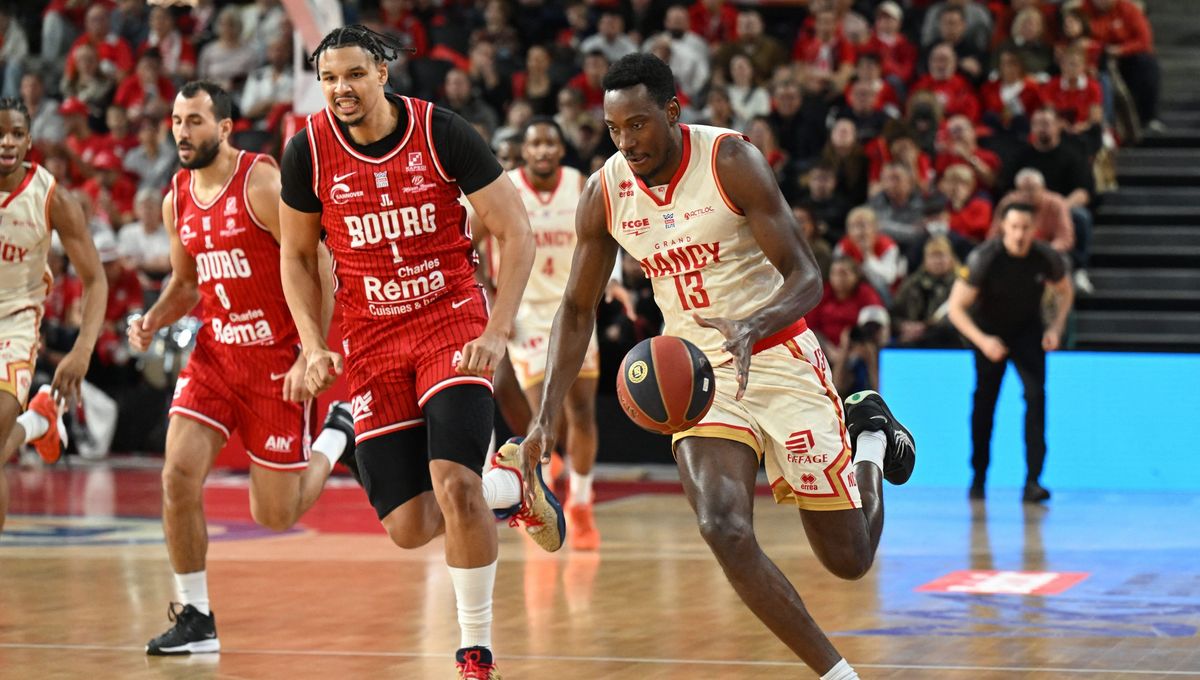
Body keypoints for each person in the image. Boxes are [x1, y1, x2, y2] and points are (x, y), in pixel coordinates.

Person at [518, 53, 916, 680]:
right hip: (697, 373)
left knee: (850, 560)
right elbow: (576, 307)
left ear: (673, 111)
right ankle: (838, 675)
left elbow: (807, 277)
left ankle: (867, 434)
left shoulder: (730, 160)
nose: (627, 142)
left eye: (638, 125)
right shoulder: (605, 191)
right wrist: (544, 418)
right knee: (722, 526)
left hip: (779, 353)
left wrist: (754, 324)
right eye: (614, 129)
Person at [276, 26, 564, 680]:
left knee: (454, 483)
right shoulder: (307, 150)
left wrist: (496, 331)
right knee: (408, 526)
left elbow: (515, 231)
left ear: (382, 73)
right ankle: (511, 486)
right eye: (329, 79)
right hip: (371, 336)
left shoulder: (441, 131)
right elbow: (294, 256)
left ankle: (475, 651)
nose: (342, 89)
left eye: (354, 74)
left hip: (448, 318)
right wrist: (312, 344)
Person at [126, 81, 358, 656]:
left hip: (276, 363)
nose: (182, 132)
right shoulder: (176, 196)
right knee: (177, 476)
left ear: (225, 128)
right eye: (177, 121)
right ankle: (196, 616)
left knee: (274, 514)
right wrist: (153, 319)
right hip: (215, 357)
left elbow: (318, 260)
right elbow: (186, 284)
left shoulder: (261, 183)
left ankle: (337, 435)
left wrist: (311, 351)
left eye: (195, 121)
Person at [483, 117, 628, 550]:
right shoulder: (505, 188)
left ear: (561, 150)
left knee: (582, 410)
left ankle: (581, 502)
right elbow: (468, 241)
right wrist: (491, 297)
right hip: (525, 312)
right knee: (543, 412)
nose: (543, 150)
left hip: (573, 310)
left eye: (550, 143)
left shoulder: (579, 184)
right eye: (535, 144)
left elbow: (605, 235)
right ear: (524, 151)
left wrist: (613, 280)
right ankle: (544, 495)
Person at [0, 98, 108, 534]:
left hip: (15, 326)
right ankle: (38, 421)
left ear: (29, 142)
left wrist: (82, 351)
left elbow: (96, 279)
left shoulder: (51, 198)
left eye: (16, 134)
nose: (6, 142)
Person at [947, 202, 1073, 503]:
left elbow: (1066, 291)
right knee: (984, 404)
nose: (1019, 234)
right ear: (1003, 227)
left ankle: (1033, 481)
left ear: (1035, 229)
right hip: (990, 332)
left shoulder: (1045, 257)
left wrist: (1055, 327)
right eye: (1014, 227)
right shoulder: (984, 257)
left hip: (1028, 332)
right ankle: (978, 477)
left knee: (1036, 398)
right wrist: (983, 341)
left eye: (1025, 228)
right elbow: (955, 309)